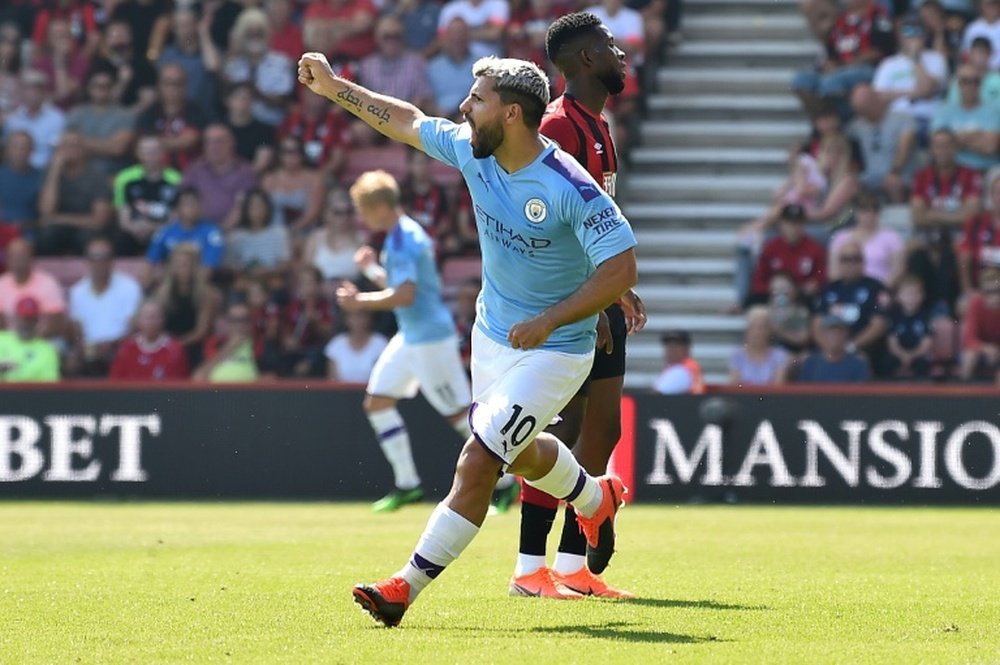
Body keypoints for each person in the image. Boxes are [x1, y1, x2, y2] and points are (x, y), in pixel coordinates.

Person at [298, 50, 637, 626]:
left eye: (476, 99)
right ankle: (595, 498)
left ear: (509, 114)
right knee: (521, 454)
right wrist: (335, 89)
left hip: (556, 350)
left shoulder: (569, 186)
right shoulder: (472, 151)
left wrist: (552, 319)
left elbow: (621, 269)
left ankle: (403, 588)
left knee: (479, 459)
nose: (463, 107)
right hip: (492, 337)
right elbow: (403, 120)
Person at [510, 12, 646, 602]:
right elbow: (552, 224)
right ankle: (530, 569)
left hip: (599, 294)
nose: (622, 53)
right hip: (573, 302)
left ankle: (572, 567)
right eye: (611, 46)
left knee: (603, 430)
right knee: (562, 428)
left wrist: (618, 288)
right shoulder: (561, 128)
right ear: (586, 58)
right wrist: (585, 306)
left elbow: (595, 221)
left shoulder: (599, 124)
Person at [336, 169, 474, 511]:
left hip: (430, 339)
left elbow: (406, 295)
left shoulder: (404, 239)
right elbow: (400, 285)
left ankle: (505, 484)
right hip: (411, 337)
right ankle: (407, 484)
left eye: (363, 210)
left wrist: (360, 302)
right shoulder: (401, 234)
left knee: (461, 416)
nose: (362, 217)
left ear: (381, 207)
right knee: (377, 402)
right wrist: (371, 273)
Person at [67, 236, 143, 376]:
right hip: (90, 351)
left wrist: (112, 345)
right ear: (87, 261)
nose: (99, 263)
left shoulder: (129, 286)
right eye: (94, 258)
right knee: (72, 362)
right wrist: (83, 346)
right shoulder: (77, 291)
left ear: (112, 260)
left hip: (120, 347)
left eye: (104, 257)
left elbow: (134, 326)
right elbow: (76, 329)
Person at [35, 130, 114, 256]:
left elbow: (100, 220)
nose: (68, 150)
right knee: (46, 236)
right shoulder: (50, 172)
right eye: (64, 145)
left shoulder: (97, 175)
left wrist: (61, 219)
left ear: (84, 149)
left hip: (86, 228)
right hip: (60, 229)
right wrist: (55, 169)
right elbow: (46, 211)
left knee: (87, 238)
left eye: (74, 145)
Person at [814, 240, 891, 367]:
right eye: (845, 259)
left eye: (855, 259)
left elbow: (878, 325)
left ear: (863, 262)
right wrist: (829, 348)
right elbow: (816, 323)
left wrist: (851, 346)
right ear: (839, 263)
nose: (850, 263)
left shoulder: (876, 287)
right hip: (829, 349)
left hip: (863, 348)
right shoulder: (829, 288)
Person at [114, 135, 182, 255]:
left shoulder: (176, 180)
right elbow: (123, 218)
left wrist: (152, 227)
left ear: (163, 153)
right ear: (138, 154)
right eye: (146, 152)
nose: (151, 156)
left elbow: (176, 218)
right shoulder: (124, 178)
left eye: (155, 151)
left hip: (163, 230)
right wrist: (135, 228)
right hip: (133, 230)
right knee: (120, 241)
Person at [748, 203, 827, 305]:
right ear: (781, 224)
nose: (792, 228)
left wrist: (814, 284)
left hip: (801, 300)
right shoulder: (770, 248)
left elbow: (821, 276)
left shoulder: (814, 249)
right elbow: (758, 281)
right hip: (772, 298)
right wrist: (775, 289)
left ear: (803, 225)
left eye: (797, 223)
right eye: (789, 223)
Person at [65, 67, 136, 178]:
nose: (101, 89)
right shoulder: (77, 113)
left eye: (106, 86)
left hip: (113, 174)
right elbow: (68, 145)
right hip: (79, 174)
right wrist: (106, 145)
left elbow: (118, 148)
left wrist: (81, 141)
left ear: (113, 88)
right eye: (96, 86)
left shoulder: (126, 115)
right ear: (89, 88)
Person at [182, 124, 257, 227]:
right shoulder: (195, 170)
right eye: (209, 142)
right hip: (197, 231)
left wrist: (219, 232)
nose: (214, 146)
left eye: (219, 141)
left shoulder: (245, 172)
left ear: (231, 143)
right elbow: (184, 201)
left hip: (234, 232)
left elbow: (242, 207)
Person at [931, 63, 1000, 174]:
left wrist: (956, 139)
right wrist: (978, 136)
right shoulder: (944, 111)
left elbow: (991, 147)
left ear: (981, 84)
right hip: (954, 172)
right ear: (958, 84)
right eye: (965, 81)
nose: (970, 86)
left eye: (975, 81)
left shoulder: (994, 111)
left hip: (986, 169)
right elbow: (939, 144)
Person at [828, 190, 905, 287]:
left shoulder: (892, 237)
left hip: (880, 290)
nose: (869, 214)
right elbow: (834, 273)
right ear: (856, 212)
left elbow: (897, 272)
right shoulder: (841, 237)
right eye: (864, 209)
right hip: (848, 290)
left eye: (874, 209)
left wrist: (880, 290)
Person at [146, 186, 225, 270]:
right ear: (178, 208)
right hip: (168, 278)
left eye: (194, 204)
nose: (191, 208)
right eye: (186, 204)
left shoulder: (212, 233)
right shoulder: (165, 231)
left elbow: (209, 267)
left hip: (200, 281)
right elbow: (150, 264)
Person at [109, 299, 190, 380]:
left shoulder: (174, 349)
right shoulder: (127, 348)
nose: (152, 322)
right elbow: (115, 380)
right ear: (138, 320)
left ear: (163, 320)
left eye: (157, 317)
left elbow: (180, 383)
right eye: (149, 317)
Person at [0, 238, 66, 337]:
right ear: (7, 259)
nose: (17, 260)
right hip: (10, 343)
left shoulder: (48, 283)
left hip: (43, 340)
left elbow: (56, 323)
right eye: (13, 256)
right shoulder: (1, 284)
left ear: (32, 258)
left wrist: (31, 342)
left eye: (21, 256)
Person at [3, 68, 66, 170]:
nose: (32, 93)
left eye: (36, 89)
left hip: (46, 171)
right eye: (28, 89)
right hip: (17, 171)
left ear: (43, 92)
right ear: (22, 92)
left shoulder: (58, 118)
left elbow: (59, 152)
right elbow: (8, 152)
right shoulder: (13, 120)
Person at [304, 188, 364, 283]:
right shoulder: (314, 238)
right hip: (319, 295)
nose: (344, 218)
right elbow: (306, 273)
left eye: (348, 212)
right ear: (326, 214)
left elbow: (367, 274)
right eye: (338, 213)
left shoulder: (361, 240)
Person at [192, 301, 260, 382]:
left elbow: (271, 376)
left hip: (250, 392)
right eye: (235, 320)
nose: (240, 324)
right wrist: (231, 346)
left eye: (244, 319)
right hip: (218, 392)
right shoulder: (214, 343)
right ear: (227, 322)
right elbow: (198, 376)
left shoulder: (257, 343)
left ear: (250, 322)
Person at [883, 274, 934, 379]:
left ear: (922, 295)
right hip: (898, 354)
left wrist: (912, 355)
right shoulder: (894, 316)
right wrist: (902, 355)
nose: (912, 297)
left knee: (923, 365)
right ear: (898, 296)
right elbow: (892, 341)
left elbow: (927, 342)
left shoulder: (926, 316)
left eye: (916, 293)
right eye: (908, 294)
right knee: (887, 363)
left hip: (918, 354)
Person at [795, 314, 871, 383]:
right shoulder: (811, 363)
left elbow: (861, 394)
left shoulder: (857, 364)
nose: (835, 337)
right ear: (822, 335)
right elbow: (803, 393)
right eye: (831, 333)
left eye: (839, 333)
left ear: (846, 335)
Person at [0, 296, 60, 381]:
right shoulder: (1, 339)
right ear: (15, 317)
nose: (26, 323)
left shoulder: (47, 350)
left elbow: (49, 389)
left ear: (37, 321)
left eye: (30, 319)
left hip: (30, 394)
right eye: (23, 318)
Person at [729, 306, 789, 386]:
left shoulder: (779, 356)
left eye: (761, 327)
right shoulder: (737, 355)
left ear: (769, 331)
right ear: (747, 330)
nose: (757, 332)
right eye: (753, 327)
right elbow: (733, 387)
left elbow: (778, 388)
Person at [325, 309, 389, 383]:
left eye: (361, 316)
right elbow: (332, 380)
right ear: (346, 319)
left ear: (369, 318)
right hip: (342, 394)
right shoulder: (336, 344)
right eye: (353, 316)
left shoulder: (380, 343)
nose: (358, 320)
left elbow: (384, 378)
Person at [652, 329, 704, 394]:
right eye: (668, 346)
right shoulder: (672, 368)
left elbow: (658, 394)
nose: (671, 350)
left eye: (676, 346)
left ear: (686, 349)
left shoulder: (684, 369)